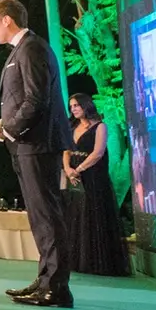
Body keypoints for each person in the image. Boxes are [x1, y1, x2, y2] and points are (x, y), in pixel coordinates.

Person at [0, 0, 76, 306]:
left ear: (7, 20)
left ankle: (57, 288)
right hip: (27, 144)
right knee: (40, 217)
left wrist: (6, 130)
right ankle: (45, 281)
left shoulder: (32, 48)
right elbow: (22, 102)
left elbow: (36, 100)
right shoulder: (22, 50)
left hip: (37, 145)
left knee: (47, 216)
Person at [65, 93, 129, 277]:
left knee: (94, 213)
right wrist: (68, 169)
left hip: (93, 175)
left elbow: (98, 153)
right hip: (74, 175)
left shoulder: (100, 127)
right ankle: (77, 259)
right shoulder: (73, 126)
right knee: (77, 212)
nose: (74, 109)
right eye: (72, 106)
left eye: (76, 105)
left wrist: (80, 169)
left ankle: (97, 262)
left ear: (86, 105)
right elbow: (66, 150)